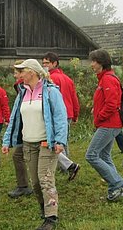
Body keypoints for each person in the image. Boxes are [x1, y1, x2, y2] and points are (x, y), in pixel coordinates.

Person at [2, 59, 67, 230]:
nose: (19, 75)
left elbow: (60, 117)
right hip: (28, 144)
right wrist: (7, 141)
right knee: (36, 182)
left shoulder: (50, 92)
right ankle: (43, 208)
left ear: (31, 72)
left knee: (46, 180)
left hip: (46, 143)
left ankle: (51, 217)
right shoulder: (22, 93)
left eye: (21, 71)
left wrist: (60, 140)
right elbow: (15, 118)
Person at [85, 49, 123, 202]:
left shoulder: (108, 79)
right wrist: (95, 109)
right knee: (104, 155)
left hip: (109, 124)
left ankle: (118, 182)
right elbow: (106, 101)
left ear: (101, 62)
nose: (92, 64)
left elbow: (112, 105)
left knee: (91, 155)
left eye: (94, 61)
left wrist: (98, 117)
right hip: (109, 123)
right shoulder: (104, 78)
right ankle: (115, 190)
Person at [42, 52, 80, 180]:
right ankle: (67, 166)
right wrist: (75, 114)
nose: (44, 65)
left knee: (56, 141)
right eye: (43, 63)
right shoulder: (68, 79)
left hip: (56, 114)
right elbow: (74, 98)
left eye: (47, 63)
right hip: (68, 113)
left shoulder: (49, 79)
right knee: (63, 140)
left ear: (54, 63)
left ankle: (67, 166)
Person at [7, 62, 33, 198]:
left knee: (20, 156)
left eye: (17, 72)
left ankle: (25, 186)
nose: (15, 75)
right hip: (25, 129)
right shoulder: (22, 88)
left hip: (30, 130)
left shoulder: (26, 87)